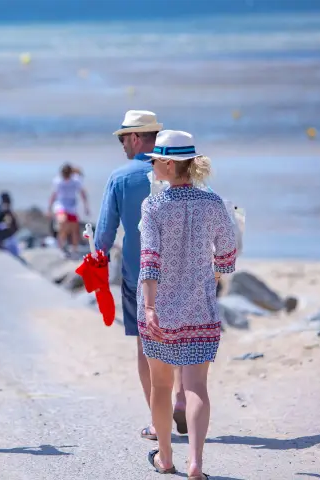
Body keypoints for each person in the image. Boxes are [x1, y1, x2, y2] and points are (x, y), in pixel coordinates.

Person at [139, 130, 237, 478]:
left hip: (160, 310)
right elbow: (228, 250)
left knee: (161, 386)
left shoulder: (153, 206)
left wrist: (149, 307)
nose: (151, 165)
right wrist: (215, 275)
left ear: (168, 163)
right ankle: (196, 464)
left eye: (154, 160)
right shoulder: (212, 202)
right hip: (201, 309)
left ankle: (165, 458)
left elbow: (149, 260)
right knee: (196, 387)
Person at [96, 110, 188, 440]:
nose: (122, 146)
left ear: (136, 138)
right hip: (181, 272)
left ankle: (156, 419)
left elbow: (103, 237)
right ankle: (179, 398)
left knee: (146, 347)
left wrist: (97, 256)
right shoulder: (175, 170)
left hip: (140, 275)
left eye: (123, 139)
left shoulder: (120, 177)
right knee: (178, 339)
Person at [47, 163, 90, 255]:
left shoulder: (76, 180)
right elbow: (53, 195)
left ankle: (74, 249)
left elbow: (82, 193)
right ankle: (61, 247)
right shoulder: (58, 181)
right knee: (63, 223)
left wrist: (86, 207)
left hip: (72, 206)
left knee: (74, 228)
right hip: (61, 205)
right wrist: (49, 208)